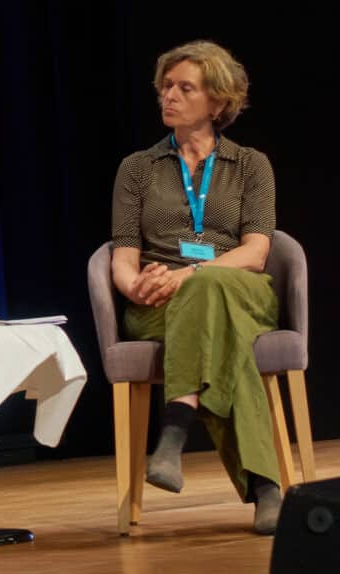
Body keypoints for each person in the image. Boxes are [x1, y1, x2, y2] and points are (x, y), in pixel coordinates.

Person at [110, 41, 281, 534]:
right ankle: (266, 488)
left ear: (219, 103)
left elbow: (255, 253)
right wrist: (134, 287)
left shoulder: (251, 165)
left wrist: (188, 274)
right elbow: (123, 254)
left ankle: (176, 425)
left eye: (186, 88)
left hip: (241, 288)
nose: (170, 96)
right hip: (160, 300)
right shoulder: (137, 169)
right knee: (225, 337)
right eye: (166, 86)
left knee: (211, 289)